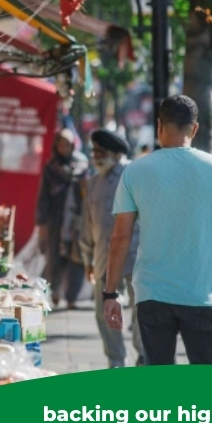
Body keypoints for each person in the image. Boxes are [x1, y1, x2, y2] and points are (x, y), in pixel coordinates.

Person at [103, 94, 212, 366]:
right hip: (202, 295)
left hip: (152, 294)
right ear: (195, 128)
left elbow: (120, 237)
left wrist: (110, 293)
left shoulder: (136, 171)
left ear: (160, 125)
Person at [80, 130, 143, 367]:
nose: (96, 156)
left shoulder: (134, 176)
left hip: (136, 257)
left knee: (141, 310)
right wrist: (87, 260)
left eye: (101, 152)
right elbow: (87, 224)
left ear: (116, 154)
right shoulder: (93, 183)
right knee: (103, 312)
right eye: (94, 151)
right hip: (103, 259)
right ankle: (116, 361)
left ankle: (143, 356)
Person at [36, 128, 89, 309]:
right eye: (61, 145)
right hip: (56, 218)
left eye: (68, 145)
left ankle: (72, 296)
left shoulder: (82, 165)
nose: (64, 148)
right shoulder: (51, 167)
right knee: (55, 257)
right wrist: (42, 221)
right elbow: (44, 195)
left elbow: (89, 191)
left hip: (77, 219)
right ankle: (55, 290)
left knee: (77, 257)